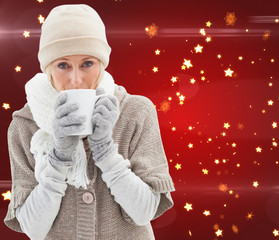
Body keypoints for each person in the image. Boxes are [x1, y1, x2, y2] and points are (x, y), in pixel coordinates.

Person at [4, 4, 175, 240]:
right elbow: (33, 229)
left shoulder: (136, 111)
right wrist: (59, 158)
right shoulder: (24, 127)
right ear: (48, 69)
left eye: (87, 64)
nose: (76, 80)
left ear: (102, 64)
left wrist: (105, 151)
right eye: (63, 65)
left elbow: (144, 212)